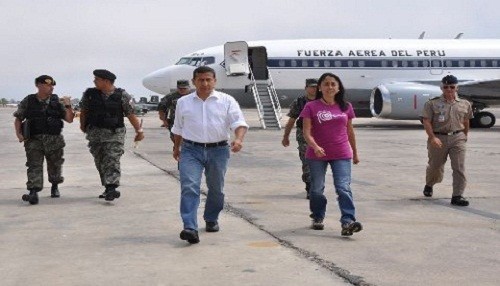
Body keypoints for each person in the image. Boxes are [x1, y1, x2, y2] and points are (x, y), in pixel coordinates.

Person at [172, 66, 248, 244]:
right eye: (200, 80)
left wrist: (239, 139)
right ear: (194, 82)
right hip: (191, 150)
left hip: (218, 150)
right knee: (189, 186)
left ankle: (211, 217)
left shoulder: (227, 101)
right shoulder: (183, 102)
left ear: (215, 81)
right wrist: (176, 148)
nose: (205, 83)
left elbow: (239, 122)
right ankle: (190, 227)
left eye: (208, 80)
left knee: (216, 189)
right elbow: (178, 128)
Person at [300, 72, 362, 236]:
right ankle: (318, 216)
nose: (330, 87)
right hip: (317, 155)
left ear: (339, 87)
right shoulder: (311, 107)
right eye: (326, 84)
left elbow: (350, 131)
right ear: (320, 88)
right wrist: (315, 146)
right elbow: (306, 132)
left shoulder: (346, 106)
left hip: (341, 152)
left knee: (343, 188)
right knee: (317, 189)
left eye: (333, 84)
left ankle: (348, 221)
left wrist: (355, 153)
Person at [79, 69, 145, 201]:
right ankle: (107, 186)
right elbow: (84, 111)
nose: (94, 81)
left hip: (115, 134)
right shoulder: (90, 94)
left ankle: (112, 187)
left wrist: (139, 131)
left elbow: (130, 114)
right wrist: (83, 126)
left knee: (112, 158)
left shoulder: (122, 95)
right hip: (95, 134)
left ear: (106, 81)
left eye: (97, 79)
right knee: (100, 161)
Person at [13, 75, 75, 204]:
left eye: (52, 85)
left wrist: (69, 106)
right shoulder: (29, 100)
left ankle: (55, 186)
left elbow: (69, 119)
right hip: (34, 140)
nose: (51, 87)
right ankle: (33, 191)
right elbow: (19, 118)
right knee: (34, 165)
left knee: (55, 166)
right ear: (38, 85)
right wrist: (19, 134)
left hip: (54, 140)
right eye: (48, 85)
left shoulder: (57, 102)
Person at [422, 75, 473, 206]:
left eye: (452, 87)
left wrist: (465, 135)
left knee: (459, 167)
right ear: (441, 88)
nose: (449, 89)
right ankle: (429, 184)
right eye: (446, 87)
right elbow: (426, 121)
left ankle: (457, 195)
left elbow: (466, 120)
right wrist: (432, 137)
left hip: (458, 138)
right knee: (435, 166)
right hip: (439, 138)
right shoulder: (432, 103)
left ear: (457, 88)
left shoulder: (465, 104)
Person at [282, 78, 318, 199]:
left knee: (320, 162)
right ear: (306, 88)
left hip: (321, 134)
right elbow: (292, 120)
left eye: (316, 87)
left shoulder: (324, 101)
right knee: (307, 160)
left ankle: (317, 186)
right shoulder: (300, 102)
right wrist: (286, 136)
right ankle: (310, 187)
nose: (314, 89)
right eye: (312, 87)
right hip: (303, 134)